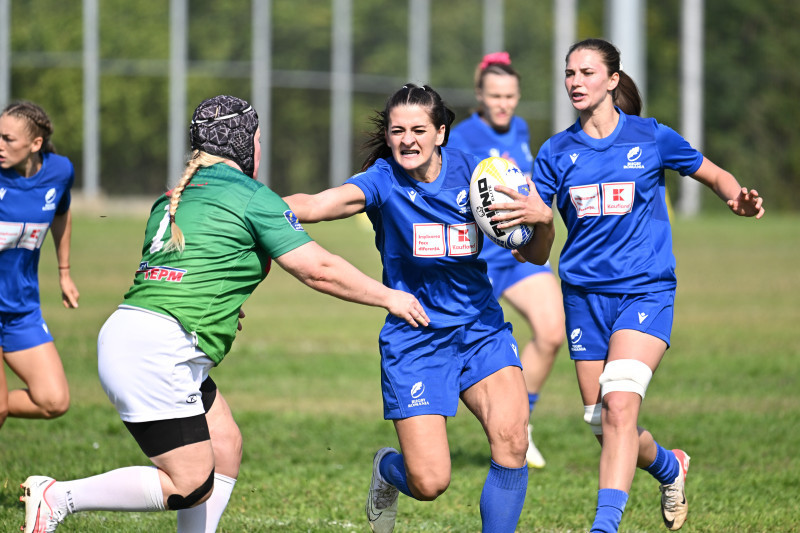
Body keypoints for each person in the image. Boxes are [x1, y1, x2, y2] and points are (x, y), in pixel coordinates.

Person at [19, 94, 429, 533]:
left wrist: (222, 310)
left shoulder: (174, 197)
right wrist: (390, 297)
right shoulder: (253, 197)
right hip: (158, 351)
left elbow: (182, 272)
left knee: (225, 444)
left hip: (138, 333)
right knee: (190, 483)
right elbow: (320, 270)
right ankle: (58, 496)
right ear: (249, 141)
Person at [491, 38, 765, 532]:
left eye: (587, 72)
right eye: (569, 73)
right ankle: (668, 465)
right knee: (606, 423)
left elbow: (712, 172)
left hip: (646, 292)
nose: (575, 81)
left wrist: (735, 198)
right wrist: (536, 223)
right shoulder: (555, 153)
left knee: (620, 404)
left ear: (613, 80)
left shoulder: (650, 137)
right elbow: (534, 252)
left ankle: (604, 526)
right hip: (582, 298)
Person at [284, 83, 553, 533]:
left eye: (418, 130)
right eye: (397, 131)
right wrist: (251, 206)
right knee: (430, 482)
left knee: (512, 440)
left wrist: (542, 219)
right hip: (417, 338)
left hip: (479, 330)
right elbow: (314, 205)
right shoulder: (382, 182)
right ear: (388, 137)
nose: (407, 140)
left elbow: (536, 254)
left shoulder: (480, 177)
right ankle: (388, 471)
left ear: (441, 134)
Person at [447, 51, 565, 469]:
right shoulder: (461, 139)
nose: (503, 103)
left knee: (552, 333)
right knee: (457, 347)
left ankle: (522, 423)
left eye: (510, 95)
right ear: (479, 95)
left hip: (517, 256)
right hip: (478, 261)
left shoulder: (521, 128)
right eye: (495, 95)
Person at [0, 100, 78, 431]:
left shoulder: (59, 172)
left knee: (53, 400)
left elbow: (61, 213)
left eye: (7, 139)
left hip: (21, 310)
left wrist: (64, 272)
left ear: (35, 145)